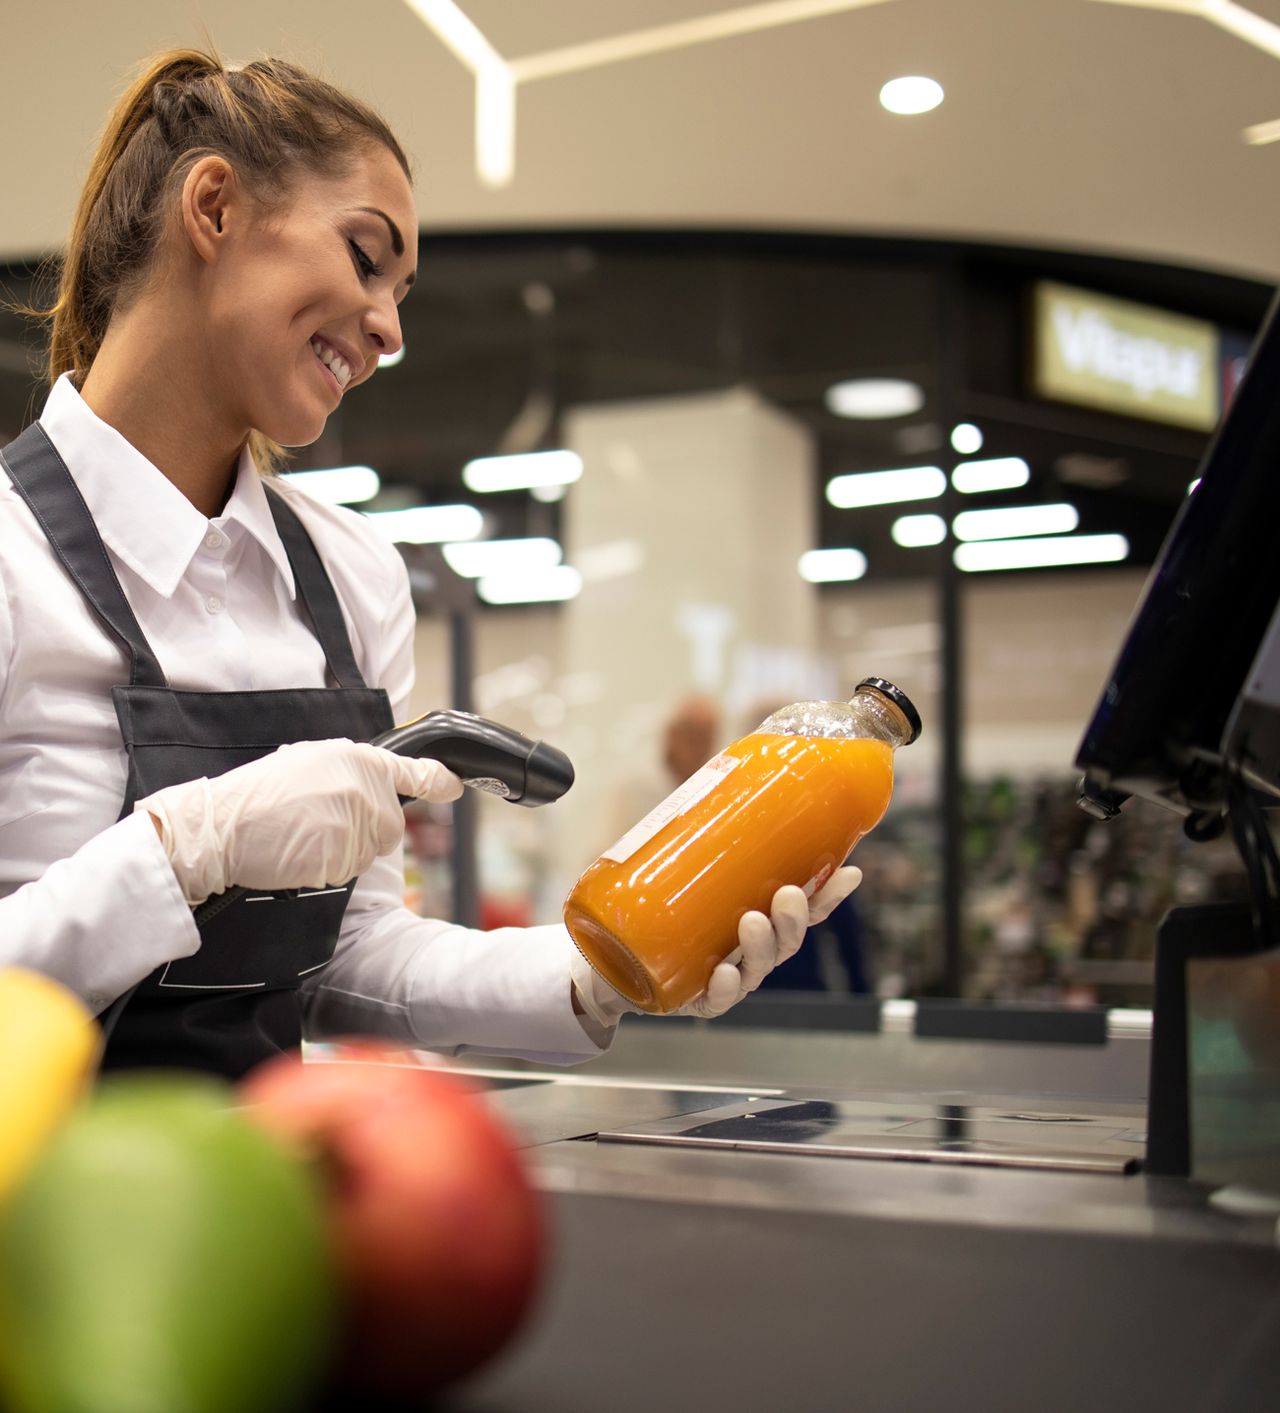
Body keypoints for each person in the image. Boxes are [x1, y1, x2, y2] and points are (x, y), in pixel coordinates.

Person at [0, 50, 861, 1078]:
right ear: (215, 207)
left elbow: (352, 957)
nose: (390, 329)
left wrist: (596, 973)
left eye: (401, 292)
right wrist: (186, 847)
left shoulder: (348, 572)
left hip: (260, 1206)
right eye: (367, 259)